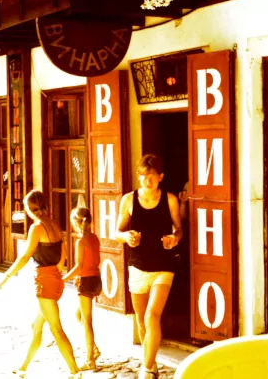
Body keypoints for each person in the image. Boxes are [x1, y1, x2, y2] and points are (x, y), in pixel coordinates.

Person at [0, 189, 80, 378]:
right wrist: (56, 274)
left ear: (28, 208)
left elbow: (25, 256)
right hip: (54, 278)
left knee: (56, 329)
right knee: (36, 327)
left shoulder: (36, 228)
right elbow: (63, 254)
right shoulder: (54, 224)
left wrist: (7, 276)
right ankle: (23, 367)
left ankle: (75, 371)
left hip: (44, 282)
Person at [116, 154, 183, 379]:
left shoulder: (170, 199)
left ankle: (145, 370)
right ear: (139, 176)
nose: (147, 180)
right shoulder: (128, 200)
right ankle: (152, 364)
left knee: (152, 316)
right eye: (144, 175)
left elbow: (179, 229)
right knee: (141, 318)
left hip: (163, 266)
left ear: (161, 177)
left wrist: (174, 239)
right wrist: (127, 237)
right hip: (137, 266)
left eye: (152, 176)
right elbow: (117, 232)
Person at [62, 207, 102, 371]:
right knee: (79, 316)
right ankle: (94, 348)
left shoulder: (80, 241)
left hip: (85, 281)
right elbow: (96, 260)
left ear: (75, 223)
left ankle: (90, 360)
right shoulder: (94, 238)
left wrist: (62, 278)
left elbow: (78, 266)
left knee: (87, 322)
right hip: (96, 280)